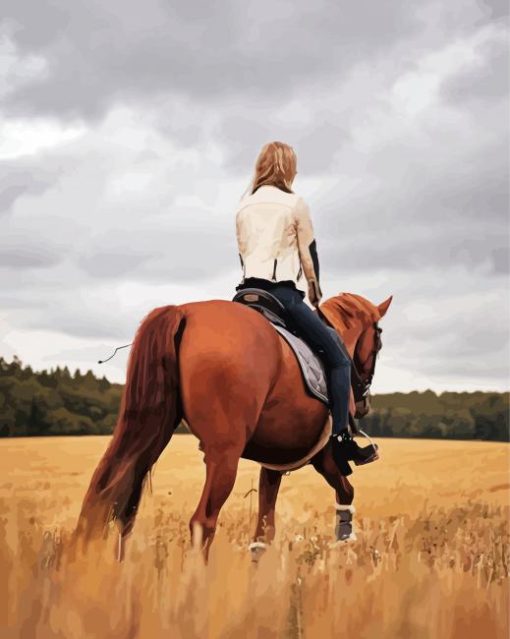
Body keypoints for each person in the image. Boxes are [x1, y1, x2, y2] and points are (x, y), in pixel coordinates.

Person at [235, 140, 378, 470]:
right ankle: (342, 440)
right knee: (340, 359)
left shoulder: (244, 205)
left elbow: (243, 252)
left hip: (245, 295)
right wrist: (313, 291)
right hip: (281, 296)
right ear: (287, 168)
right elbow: (307, 255)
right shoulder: (294, 203)